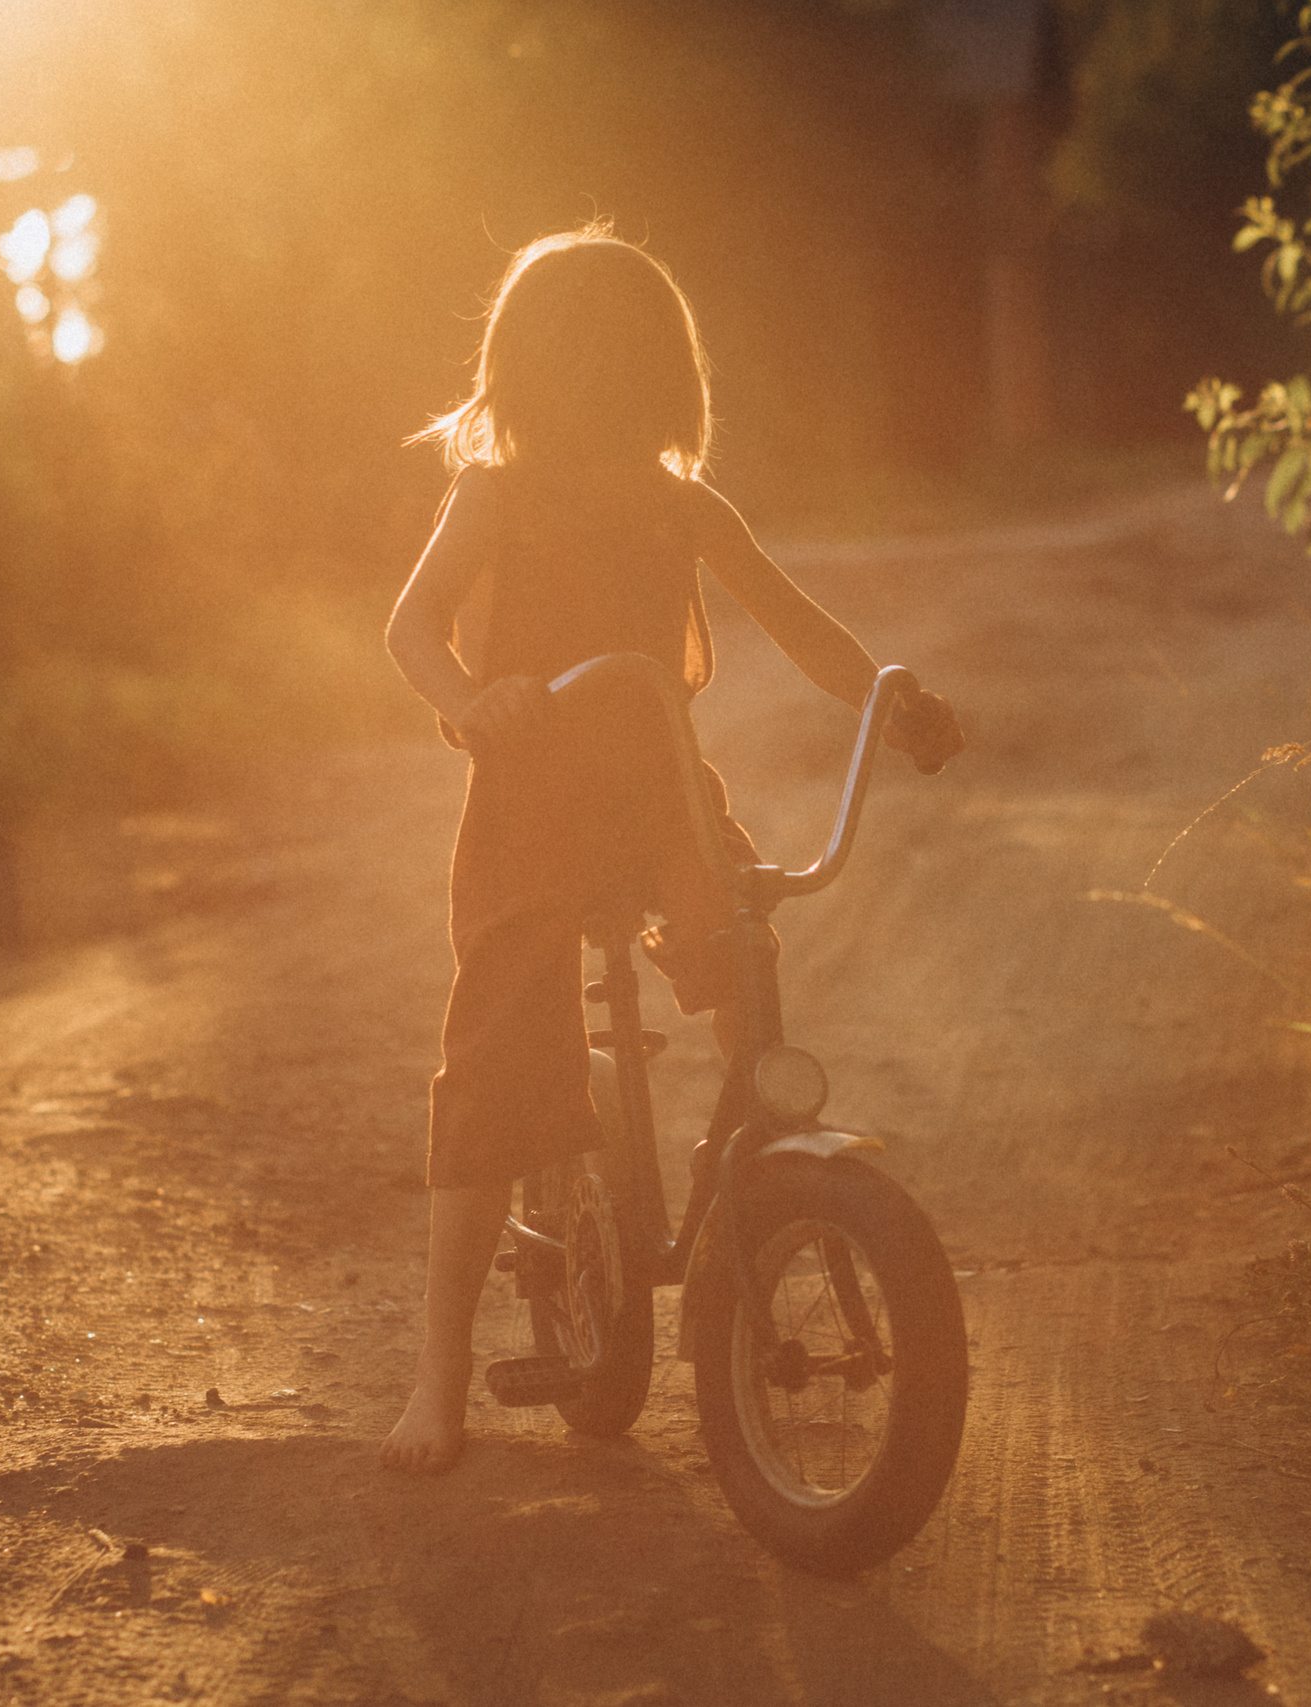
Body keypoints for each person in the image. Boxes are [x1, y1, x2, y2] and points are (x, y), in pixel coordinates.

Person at [379, 225, 964, 1473]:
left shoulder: (679, 502)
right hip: (528, 808)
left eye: (629, 365)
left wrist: (886, 702)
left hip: (660, 797)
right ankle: (436, 1381)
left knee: (735, 951)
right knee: (490, 1068)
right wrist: (472, 700)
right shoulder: (492, 494)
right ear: (530, 375)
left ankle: (756, 1178)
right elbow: (412, 629)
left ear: (664, 382)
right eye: (582, 364)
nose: (605, 392)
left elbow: (801, 626)